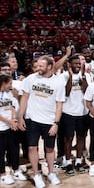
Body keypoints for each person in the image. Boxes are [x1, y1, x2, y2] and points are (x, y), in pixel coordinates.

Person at [18, 55, 65, 188]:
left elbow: (59, 105)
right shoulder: (30, 79)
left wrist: (56, 123)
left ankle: (51, 173)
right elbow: (24, 98)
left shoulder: (59, 81)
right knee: (32, 147)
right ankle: (37, 174)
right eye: (37, 65)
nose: (38, 68)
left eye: (41, 66)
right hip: (32, 119)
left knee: (49, 149)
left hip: (49, 121)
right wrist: (21, 117)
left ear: (50, 67)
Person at [61, 55, 89, 176]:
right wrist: (71, 77)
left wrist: (82, 76)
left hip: (83, 112)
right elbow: (66, 92)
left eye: (79, 64)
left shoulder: (86, 76)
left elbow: (87, 91)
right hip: (68, 112)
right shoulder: (63, 76)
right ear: (70, 65)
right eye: (75, 64)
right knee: (68, 138)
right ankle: (67, 162)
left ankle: (78, 161)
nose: (78, 65)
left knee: (81, 137)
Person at [0, 74, 26, 185]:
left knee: (14, 150)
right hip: (1, 128)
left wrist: (14, 119)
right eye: (9, 83)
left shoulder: (9, 93)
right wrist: (9, 121)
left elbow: (14, 106)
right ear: (3, 83)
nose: (11, 85)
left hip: (12, 127)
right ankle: (3, 175)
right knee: (1, 152)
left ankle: (16, 170)